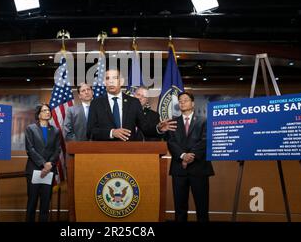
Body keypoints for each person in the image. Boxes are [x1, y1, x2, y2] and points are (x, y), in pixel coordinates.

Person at [88, 69, 176, 141]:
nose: (111, 81)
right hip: (104, 153)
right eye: (107, 78)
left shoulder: (133, 102)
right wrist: (112, 132)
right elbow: (90, 131)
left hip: (129, 152)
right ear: (104, 82)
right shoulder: (96, 103)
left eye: (115, 78)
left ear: (121, 81)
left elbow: (144, 127)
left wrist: (158, 128)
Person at [167, 91, 214, 222]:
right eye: (180, 101)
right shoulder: (173, 123)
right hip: (179, 170)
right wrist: (183, 156)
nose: (182, 103)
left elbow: (205, 141)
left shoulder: (203, 121)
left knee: (202, 207)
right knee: (180, 208)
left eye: (185, 100)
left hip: (199, 169)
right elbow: (171, 142)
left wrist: (191, 156)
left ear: (192, 103)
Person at [24, 103, 61, 222]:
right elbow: (30, 149)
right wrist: (43, 164)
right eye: (44, 110)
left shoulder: (55, 130)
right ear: (38, 114)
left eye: (48, 110)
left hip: (49, 171)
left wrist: (49, 164)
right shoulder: (31, 129)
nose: (48, 112)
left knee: (45, 204)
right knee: (32, 203)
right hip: (34, 170)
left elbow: (57, 149)